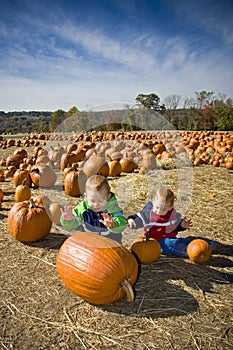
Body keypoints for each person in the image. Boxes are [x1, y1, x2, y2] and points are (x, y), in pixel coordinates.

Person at [60, 174, 128, 244]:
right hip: (89, 244)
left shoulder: (113, 209)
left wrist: (114, 224)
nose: (96, 205)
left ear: (108, 197)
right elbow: (71, 227)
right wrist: (68, 221)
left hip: (110, 244)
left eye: (100, 201)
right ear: (86, 196)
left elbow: (123, 223)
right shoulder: (82, 209)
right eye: (92, 201)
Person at [127, 187, 193, 257]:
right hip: (154, 241)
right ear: (153, 202)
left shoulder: (172, 214)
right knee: (171, 245)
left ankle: (194, 245)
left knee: (180, 241)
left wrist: (182, 225)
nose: (159, 211)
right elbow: (140, 218)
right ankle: (189, 252)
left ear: (170, 208)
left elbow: (176, 225)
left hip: (170, 238)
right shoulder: (148, 213)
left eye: (163, 210)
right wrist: (132, 220)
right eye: (157, 207)